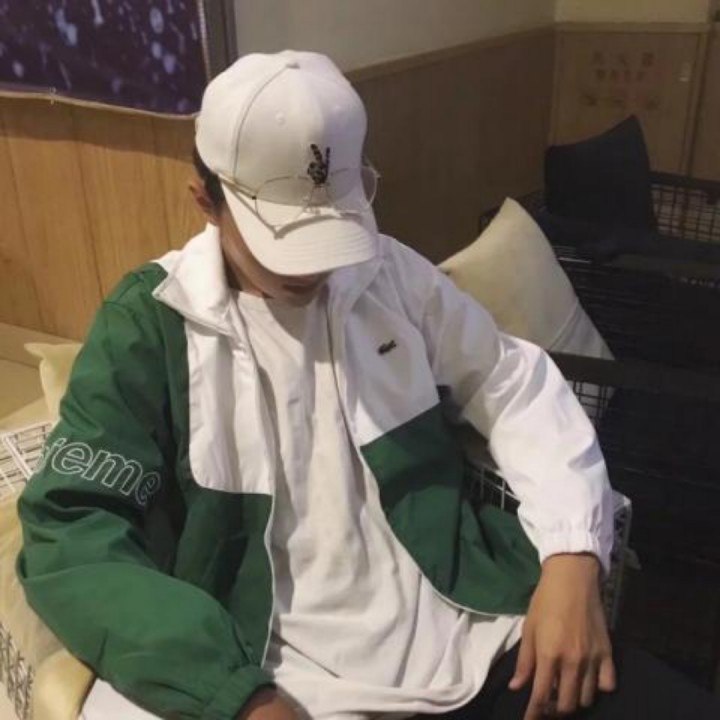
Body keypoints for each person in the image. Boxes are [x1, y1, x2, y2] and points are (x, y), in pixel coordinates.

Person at [16, 50, 719, 720]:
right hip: (272, 673)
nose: (315, 267)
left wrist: (572, 555)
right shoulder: (148, 326)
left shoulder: (389, 275)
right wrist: (232, 695)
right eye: (284, 239)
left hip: (464, 630)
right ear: (206, 199)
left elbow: (511, 383)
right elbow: (71, 532)